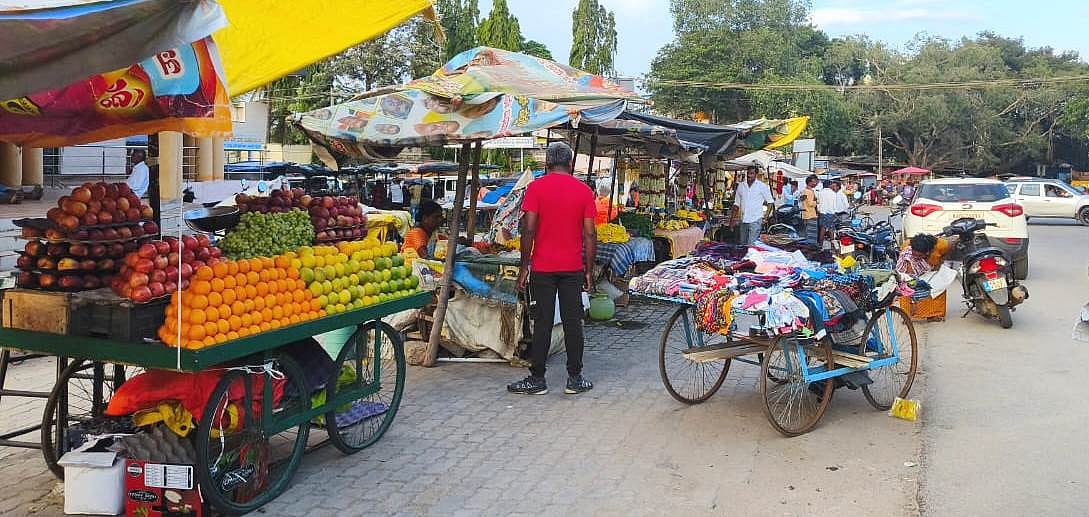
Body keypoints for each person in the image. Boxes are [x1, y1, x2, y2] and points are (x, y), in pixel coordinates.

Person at [509, 142, 595, 396]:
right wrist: (589, 271)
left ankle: (537, 379)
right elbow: (590, 234)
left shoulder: (536, 188)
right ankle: (574, 378)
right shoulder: (584, 191)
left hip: (543, 268)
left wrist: (525, 266)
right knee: (573, 323)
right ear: (570, 164)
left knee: (542, 323)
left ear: (546, 164)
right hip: (572, 268)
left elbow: (528, 229)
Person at [733, 166, 775, 245]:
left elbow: (770, 202)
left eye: (752, 173)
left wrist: (765, 218)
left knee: (752, 245)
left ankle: (751, 257)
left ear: (756, 174)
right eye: (748, 173)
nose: (749, 175)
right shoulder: (741, 186)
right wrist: (733, 220)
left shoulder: (762, 186)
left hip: (756, 219)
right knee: (743, 243)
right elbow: (736, 203)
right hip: (743, 219)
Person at [817, 180, 849, 244]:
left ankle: (820, 243)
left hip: (822, 213)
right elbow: (834, 205)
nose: (833, 186)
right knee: (831, 229)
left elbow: (818, 204)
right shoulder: (833, 193)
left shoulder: (820, 193)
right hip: (831, 213)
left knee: (822, 229)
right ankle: (833, 244)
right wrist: (834, 212)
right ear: (829, 185)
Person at [800, 175, 819, 244]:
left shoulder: (804, 191)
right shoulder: (809, 192)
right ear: (809, 182)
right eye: (814, 182)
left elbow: (802, 201)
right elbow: (810, 203)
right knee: (811, 234)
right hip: (811, 214)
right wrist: (817, 202)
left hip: (805, 214)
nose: (816, 183)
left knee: (807, 233)